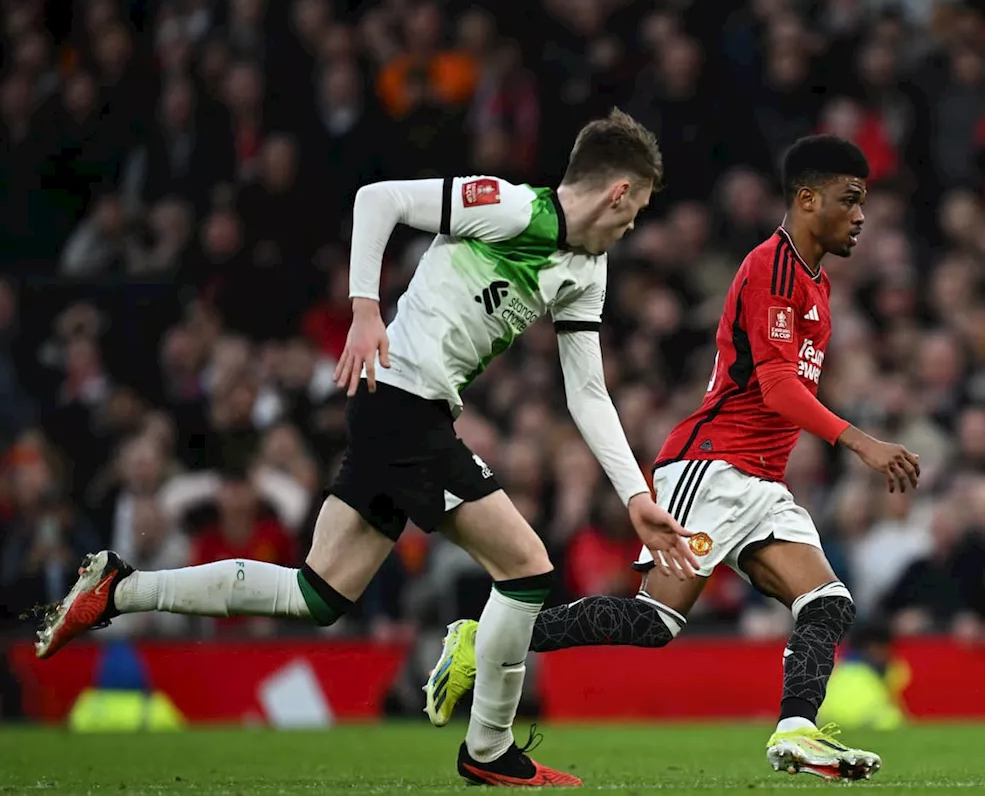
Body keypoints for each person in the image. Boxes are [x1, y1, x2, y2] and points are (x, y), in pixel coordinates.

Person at [32, 108, 700, 788]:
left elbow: (587, 392)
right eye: (638, 208)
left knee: (317, 594)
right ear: (618, 191)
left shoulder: (588, 270)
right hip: (402, 402)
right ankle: (489, 748)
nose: (634, 224)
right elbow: (377, 199)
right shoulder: (506, 206)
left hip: (410, 412)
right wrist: (364, 307)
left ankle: (121, 586)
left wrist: (637, 496)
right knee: (526, 569)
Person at [426, 136, 920, 782]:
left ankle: (797, 729)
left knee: (826, 602)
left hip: (760, 480)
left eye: (865, 202)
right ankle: (479, 636)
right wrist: (860, 440)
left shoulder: (814, 283)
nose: (861, 215)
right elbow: (774, 387)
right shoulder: (770, 267)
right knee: (654, 619)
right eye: (849, 199)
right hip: (711, 465)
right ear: (807, 199)